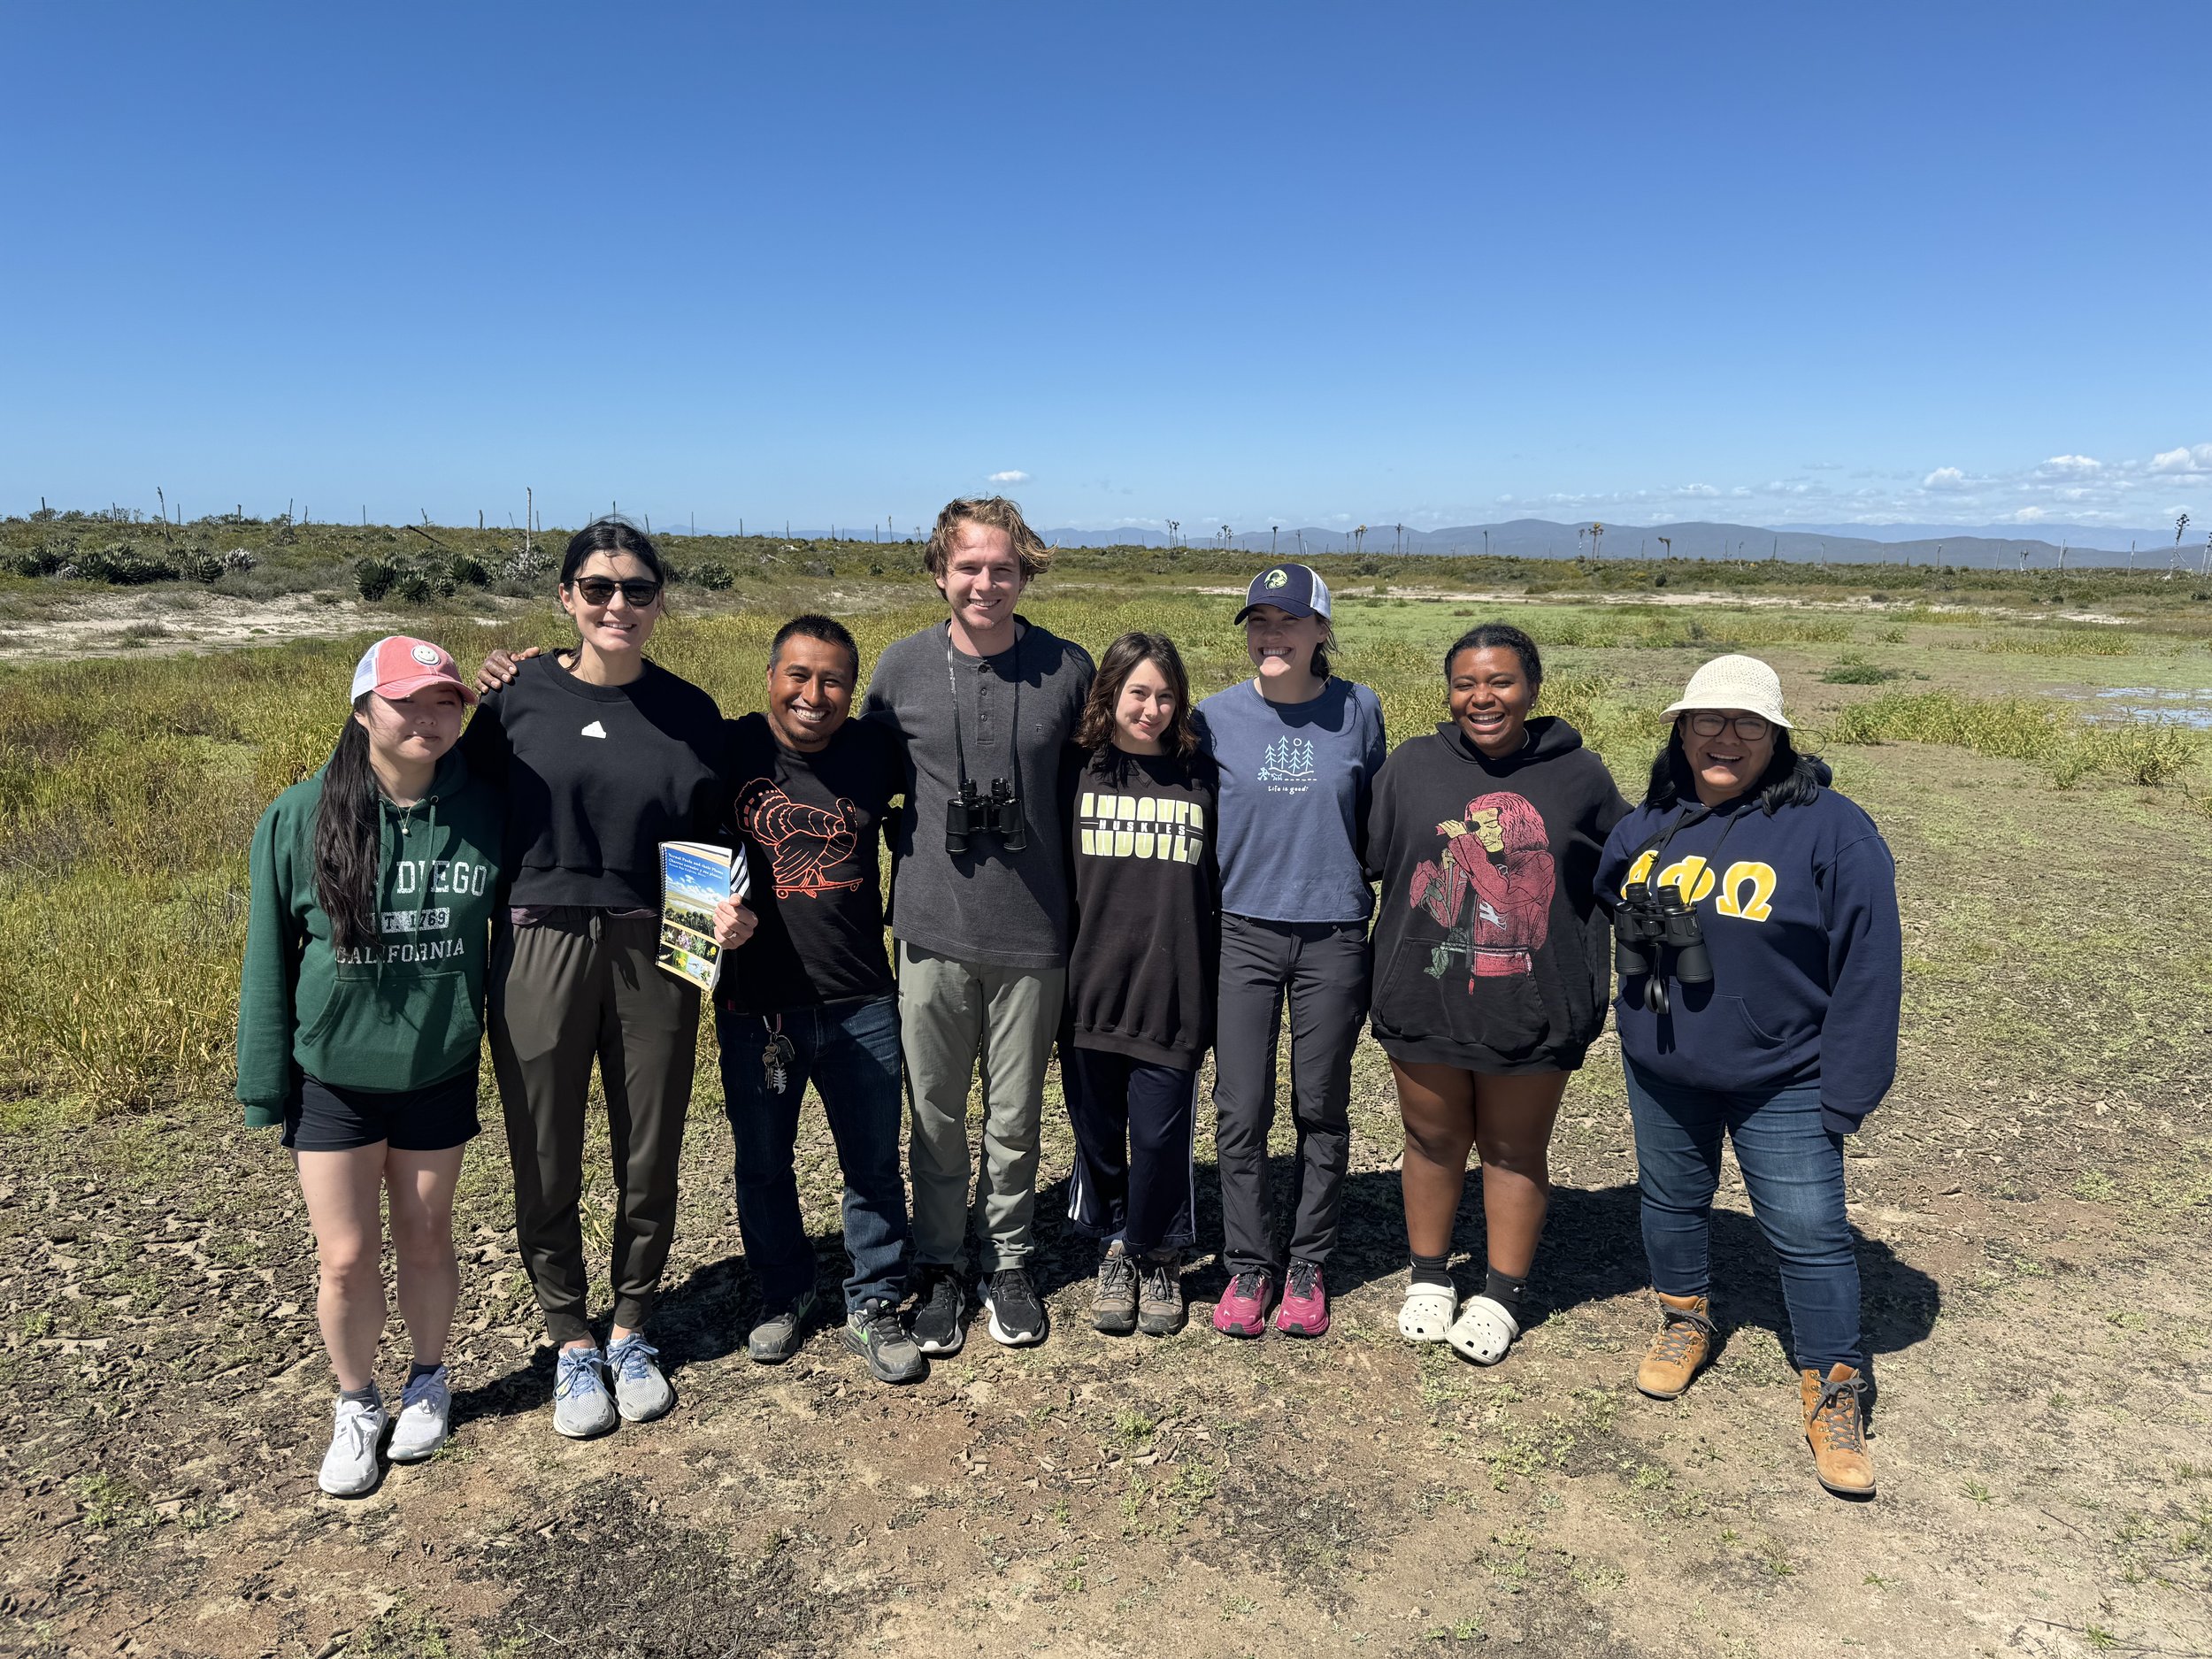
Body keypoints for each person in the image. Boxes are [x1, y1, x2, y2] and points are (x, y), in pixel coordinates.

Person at [1596, 655, 1901, 1498]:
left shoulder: (1834, 829)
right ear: (1682, 730)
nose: (1725, 737)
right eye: (1707, 720)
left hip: (1787, 1075)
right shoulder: (1650, 821)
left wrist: (1847, 1090)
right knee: (1670, 1199)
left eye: (1747, 724)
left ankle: (1832, 1385)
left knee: (1808, 1231)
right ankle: (1683, 1319)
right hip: (1663, 1067)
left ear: (1778, 737)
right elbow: (1605, 891)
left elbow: (1870, 966)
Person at [463, 518, 727, 1439]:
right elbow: (460, 808)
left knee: (649, 1144)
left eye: (638, 589)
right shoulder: (514, 698)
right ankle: (569, 1337)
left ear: (661, 601)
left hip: (657, 941)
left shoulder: (690, 713)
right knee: (544, 1144)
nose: (619, 604)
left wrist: (713, 931)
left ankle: (632, 1326)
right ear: (567, 597)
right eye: (600, 587)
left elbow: (710, 843)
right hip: (537, 938)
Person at [236, 636, 502, 1496]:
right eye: (406, 702)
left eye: (444, 703)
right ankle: (356, 1403)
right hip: (334, 1080)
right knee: (345, 1259)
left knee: (427, 1239)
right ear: (362, 712)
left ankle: (428, 1379)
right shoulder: (300, 814)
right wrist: (263, 1083)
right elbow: (269, 957)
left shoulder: (485, 812)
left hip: (437, 1067)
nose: (427, 719)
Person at [860, 496, 1094, 1352]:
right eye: (968, 566)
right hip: (931, 927)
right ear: (939, 572)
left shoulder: (1068, 669)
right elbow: (852, 770)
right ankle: (941, 1261)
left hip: (1036, 930)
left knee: (1015, 1111)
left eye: (1002, 567)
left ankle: (1010, 1259)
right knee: (933, 1111)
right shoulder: (901, 667)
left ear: (1024, 572)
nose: (985, 582)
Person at [1364, 624, 1628, 1365]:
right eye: (1466, 684)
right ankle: (1427, 1275)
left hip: (1530, 1003)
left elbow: (1621, 861)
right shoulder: (1414, 764)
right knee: (1431, 1138)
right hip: (1428, 993)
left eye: (1501, 681)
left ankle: (1502, 1291)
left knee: (1514, 1149)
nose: (1483, 698)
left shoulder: (1576, 777)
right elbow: (1376, 856)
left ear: (1532, 687)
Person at [705, 616, 925, 1385]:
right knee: (763, 1164)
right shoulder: (728, 747)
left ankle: (875, 1296)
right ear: (770, 676)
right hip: (755, 1005)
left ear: (852, 690)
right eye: (798, 674)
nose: (814, 694)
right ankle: (784, 1289)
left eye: (833, 679)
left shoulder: (873, 749)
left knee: (872, 1164)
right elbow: (660, 825)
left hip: (862, 996)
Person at [1194, 564, 1386, 1338]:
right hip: (1240, 928)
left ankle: (1307, 1261)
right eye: (1259, 623)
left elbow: (1378, 815)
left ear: (1320, 632)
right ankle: (1249, 1262)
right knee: (1241, 1107)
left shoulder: (1359, 709)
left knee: (1320, 1104)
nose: (1271, 637)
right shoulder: (1212, 718)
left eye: (1289, 622)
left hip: (1333, 931)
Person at [1061, 632, 1220, 1338]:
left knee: (1159, 1137)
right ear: (1110, 694)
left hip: (1170, 993)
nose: (1151, 708)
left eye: (1165, 695)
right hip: (1089, 992)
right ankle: (1117, 1243)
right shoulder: (1075, 771)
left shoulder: (1201, 776)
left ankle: (1160, 1252)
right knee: (1098, 1134)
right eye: (1137, 693)